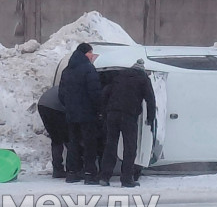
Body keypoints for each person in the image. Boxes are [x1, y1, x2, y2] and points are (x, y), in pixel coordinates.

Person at [99, 58, 156, 188]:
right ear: (142, 69)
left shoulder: (119, 76)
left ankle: (104, 177)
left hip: (112, 114)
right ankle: (126, 179)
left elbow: (105, 94)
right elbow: (150, 99)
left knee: (110, 145)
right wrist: (151, 118)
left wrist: (104, 112)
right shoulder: (143, 79)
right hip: (129, 116)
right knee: (130, 147)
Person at [58, 42, 102, 185]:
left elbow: (61, 94)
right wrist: (99, 109)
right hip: (87, 115)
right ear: (86, 53)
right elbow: (95, 93)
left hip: (71, 114)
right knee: (90, 144)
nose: (92, 56)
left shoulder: (67, 70)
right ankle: (89, 174)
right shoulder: (89, 69)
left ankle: (71, 173)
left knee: (73, 143)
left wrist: (70, 107)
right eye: (91, 53)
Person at [37, 85, 70, 178]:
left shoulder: (69, 83)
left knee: (56, 139)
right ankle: (72, 169)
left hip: (42, 104)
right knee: (68, 138)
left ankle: (57, 169)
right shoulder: (79, 89)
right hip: (55, 108)